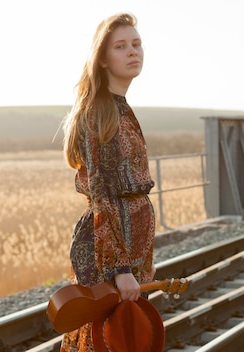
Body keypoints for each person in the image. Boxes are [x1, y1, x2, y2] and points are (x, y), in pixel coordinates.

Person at [60, 12, 157, 352]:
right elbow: (100, 197)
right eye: (121, 46)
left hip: (132, 248)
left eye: (137, 44)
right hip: (110, 253)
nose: (133, 52)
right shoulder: (97, 113)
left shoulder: (122, 107)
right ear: (102, 59)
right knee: (103, 342)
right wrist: (120, 270)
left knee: (128, 339)